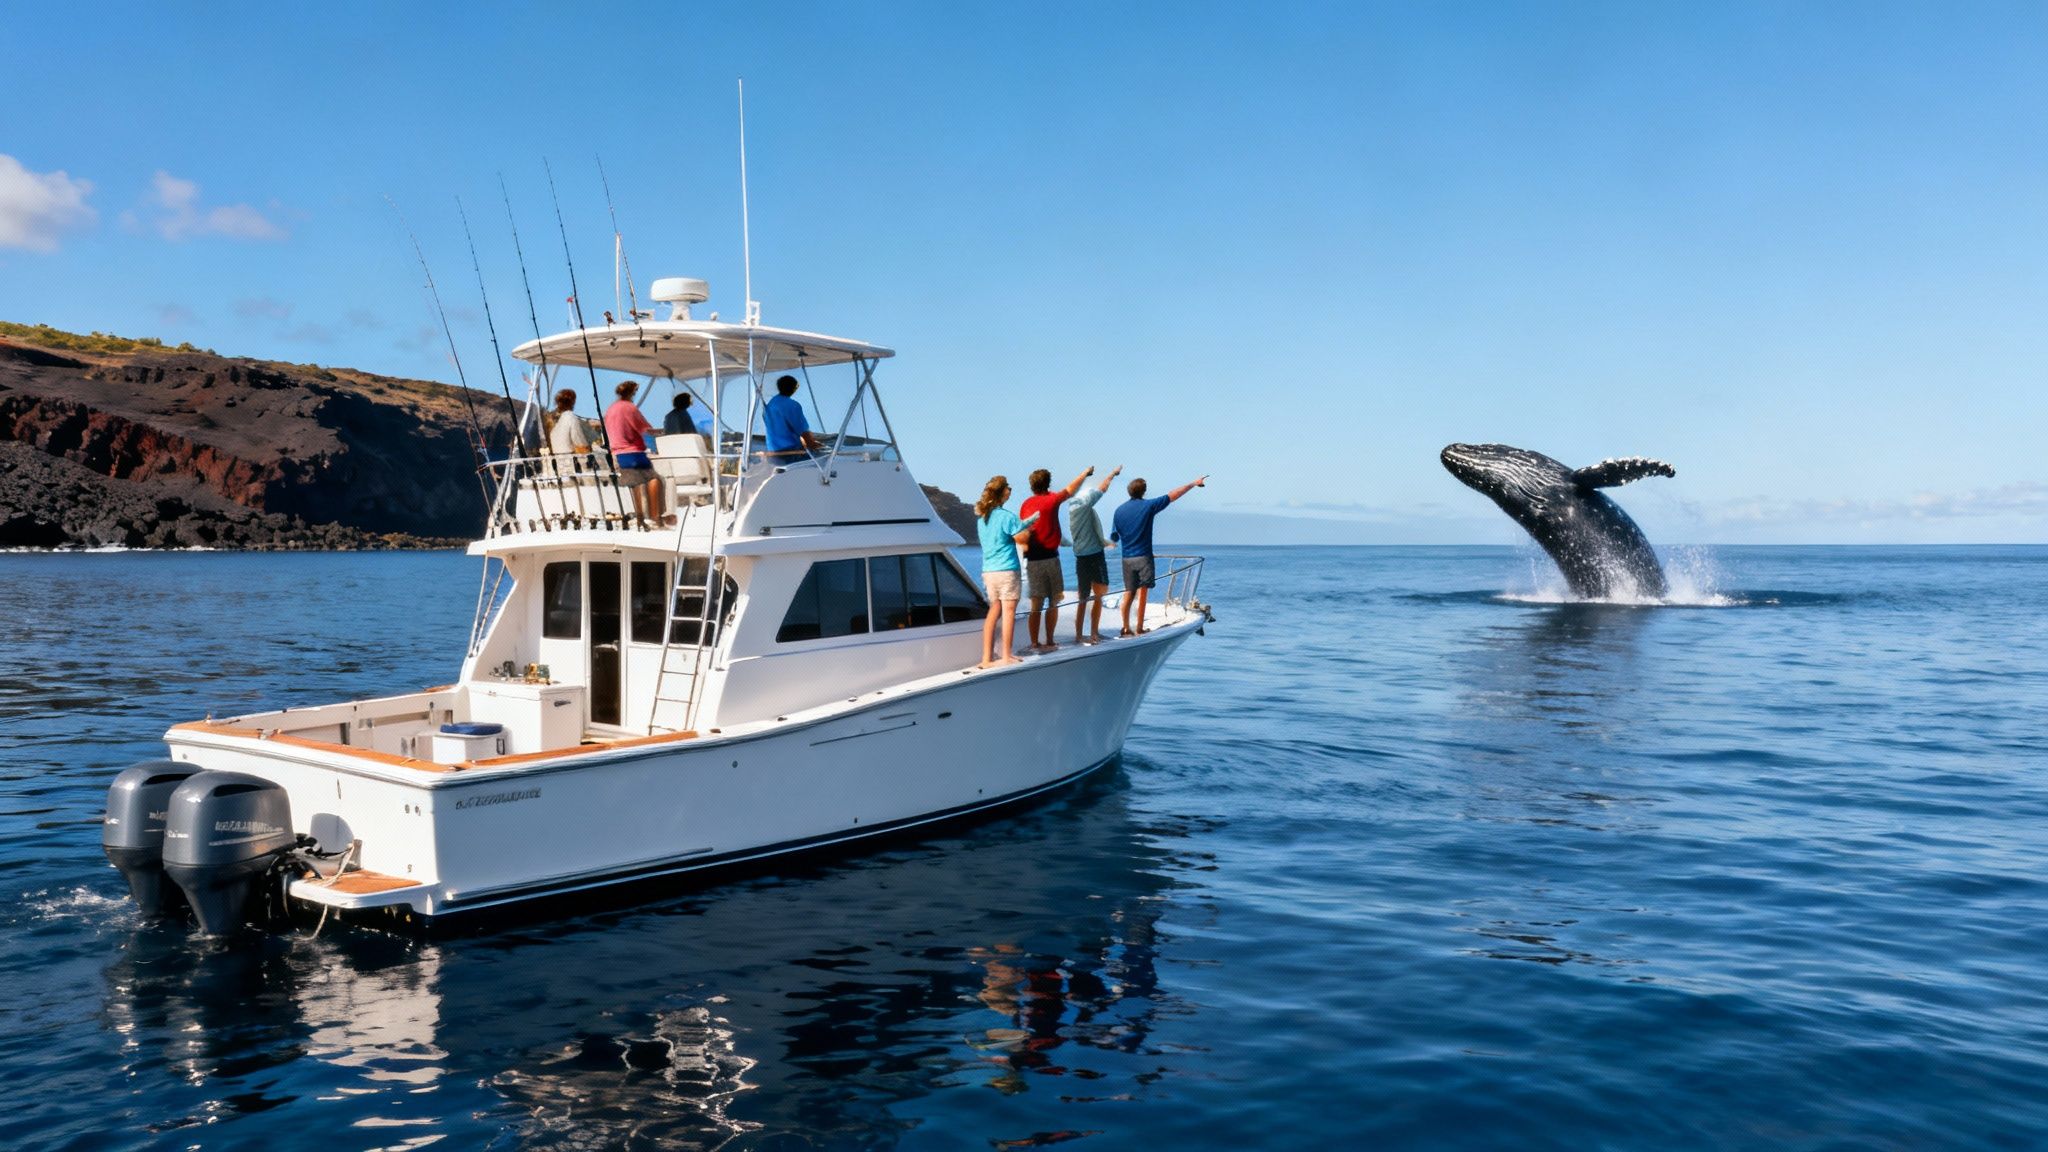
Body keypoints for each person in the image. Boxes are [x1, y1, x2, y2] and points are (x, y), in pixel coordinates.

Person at [1112, 473, 1206, 636]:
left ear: (1129, 491)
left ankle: (1126, 627)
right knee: (1143, 592)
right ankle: (1139, 627)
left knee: (1129, 592)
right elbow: (1173, 495)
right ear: (1144, 491)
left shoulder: (1119, 511)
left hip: (1126, 558)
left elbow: (1114, 536)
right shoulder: (1148, 506)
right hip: (1143, 556)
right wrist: (1193, 483)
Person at [1018, 465, 1095, 652]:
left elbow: (1024, 531)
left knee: (1036, 602)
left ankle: (1035, 643)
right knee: (1053, 601)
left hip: (1032, 559)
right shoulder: (1051, 500)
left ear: (1031, 485)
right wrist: (1084, 473)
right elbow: (1071, 489)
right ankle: (1050, 641)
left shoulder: (1025, 505)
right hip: (1051, 558)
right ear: (1048, 483)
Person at [973, 475, 1040, 668]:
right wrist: (1031, 529)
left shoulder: (983, 518)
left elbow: (1007, 530)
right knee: (1009, 612)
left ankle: (986, 659)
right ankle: (1006, 655)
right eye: (1008, 487)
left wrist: (1030, 520)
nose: (1010, 490)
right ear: (1002, 492)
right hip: (1007, 570)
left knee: (994, 611)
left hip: (989, 571)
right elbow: (1021, 538)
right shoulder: (1007, 516)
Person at [604, 380, 672, 526]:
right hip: (634, 453)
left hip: (619, 455)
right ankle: (656, 518)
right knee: (655, 479)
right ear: (631, 393)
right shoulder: (629, 408)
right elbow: (644, 429)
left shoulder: (610, 410)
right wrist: (661, 432)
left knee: (634, 483)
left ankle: (640, 518)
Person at [1066, 464, 1121, 645]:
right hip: (1095, 556)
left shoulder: (1072, 505)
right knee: (1098, 595)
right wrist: (1112, 473)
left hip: (1080, 556)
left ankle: (1079, 635)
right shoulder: (1085, 502)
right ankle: (1094, 633)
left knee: (1083, 597)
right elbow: (1102, 488)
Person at [763, 374, 822, 457]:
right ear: (793, 388)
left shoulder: (770, 405)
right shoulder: (792, 405)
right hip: (791, 453)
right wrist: (814, 445)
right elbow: (803, 431)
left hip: (773, 452)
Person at [547, 388, 592, 456]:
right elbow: (578, 439)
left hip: (556, 457)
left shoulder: (552, 418)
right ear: (573, 402)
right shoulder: (570, 417)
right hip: (569, 458)